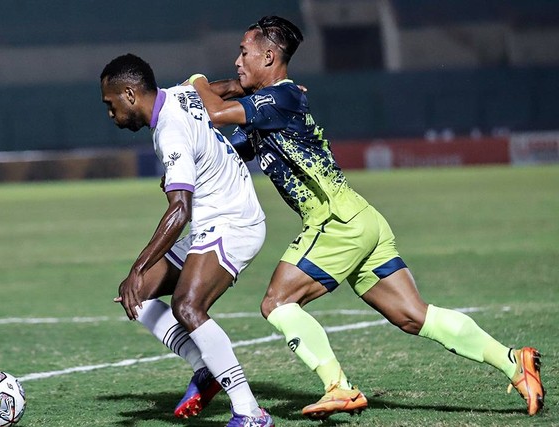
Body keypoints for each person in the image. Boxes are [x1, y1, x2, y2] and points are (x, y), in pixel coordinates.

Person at [187, 15, 545, 419]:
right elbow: (224, 136)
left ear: (269, 56)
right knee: (414, 316)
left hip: (336, 221)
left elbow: (214, 111)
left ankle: (337, 386)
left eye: (244, 52)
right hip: (361, 220)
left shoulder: (282, 97)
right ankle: (514, 361)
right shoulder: (263, 109)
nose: (236, 60)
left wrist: (194, 80)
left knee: (277, 302)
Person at [100, 53, 274, 426]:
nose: (111, 115)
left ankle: (249, 411)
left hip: (234, 220)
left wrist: (137, 265)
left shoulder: (169, 129)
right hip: (210, 221)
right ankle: (205, 367)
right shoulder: (180, 92)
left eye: (111, 105)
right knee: (136, 295)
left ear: (129, 94)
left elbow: (180, 211)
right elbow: (229, 87)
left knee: (188, 306)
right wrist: (273, 88)